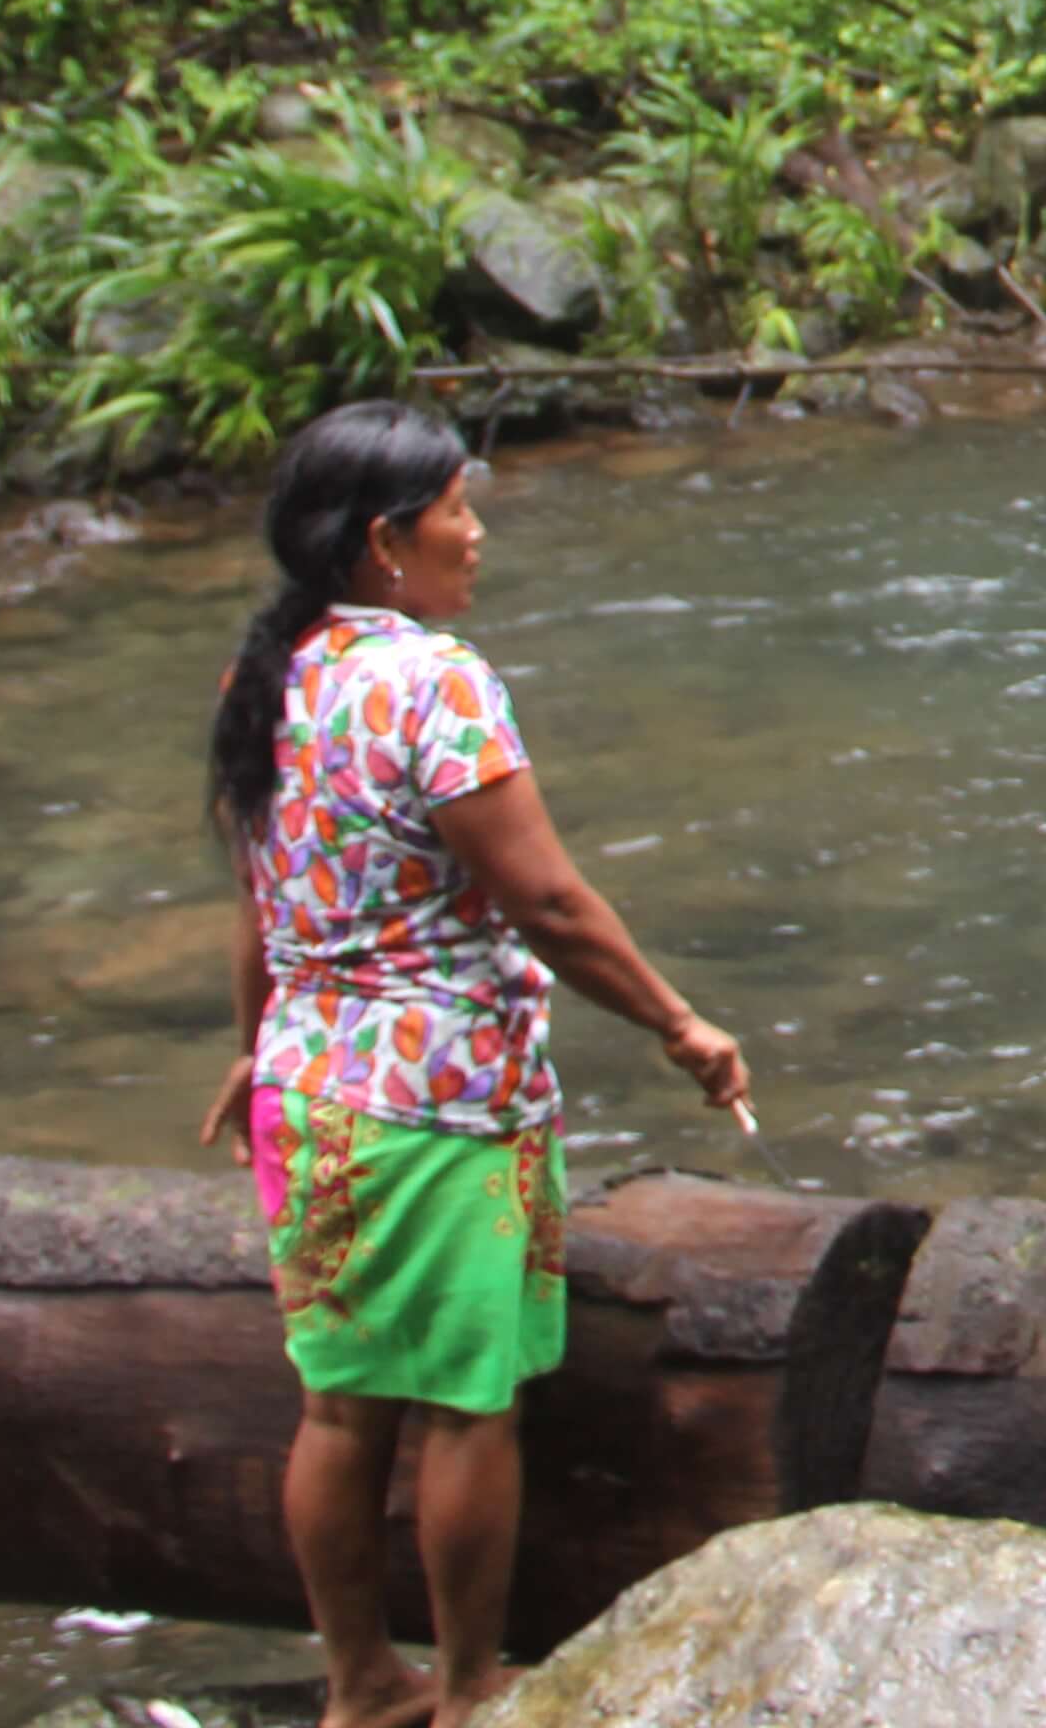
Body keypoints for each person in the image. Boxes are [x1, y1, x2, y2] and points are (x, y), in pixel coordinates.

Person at [202, 401, 746, 1728]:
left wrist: (254, 1045)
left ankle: (355, 1690)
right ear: (389, 540)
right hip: (434, 1113)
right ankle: (463, 1690)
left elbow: (266, 899)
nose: (478, 532)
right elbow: (547, 906)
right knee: (465, 1412)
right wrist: (682, 1025)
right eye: (459, 507)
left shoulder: (266, 677)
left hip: (310, 1099)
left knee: (339, 1409)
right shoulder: (430, 682)